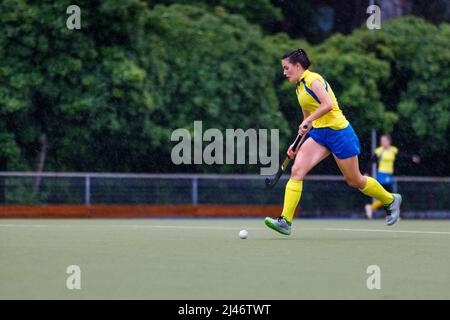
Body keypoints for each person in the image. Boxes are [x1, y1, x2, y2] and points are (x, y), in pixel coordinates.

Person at [264, 48, 402, 235]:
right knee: (297, 171)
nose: (284, 72)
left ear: (298, 66)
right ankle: (285, 221)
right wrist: (296, 143)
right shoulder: (299, 88)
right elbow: (308, 120)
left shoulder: (314, 80)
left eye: (287, 68)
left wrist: (308, 121)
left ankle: (390, 200)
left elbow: (327, 104)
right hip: (320, 134)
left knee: (355, 180)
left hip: (339, 132)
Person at [364, 134, 420, 219]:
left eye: (384, 141)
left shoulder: (393, 150)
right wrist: (367, 172)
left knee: (386, 196)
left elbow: (402, 156)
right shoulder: (379, 151)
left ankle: (372, 208)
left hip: (389, 175)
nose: (382, 143)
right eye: (381, 141)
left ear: (389, 142)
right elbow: (371, 162)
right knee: (389, 195)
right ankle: (390, 214)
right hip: (382, 175)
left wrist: (411, 158)